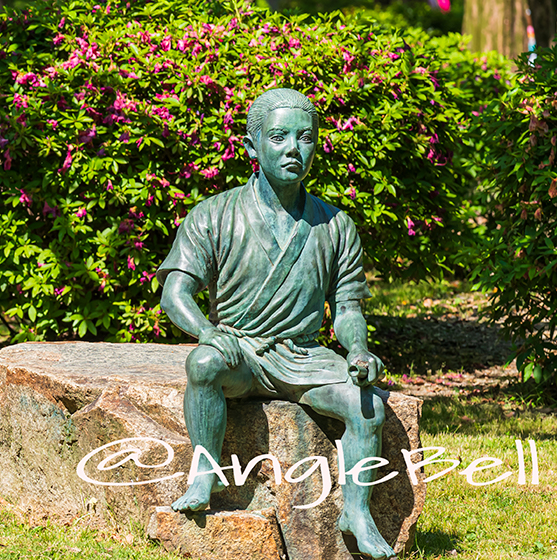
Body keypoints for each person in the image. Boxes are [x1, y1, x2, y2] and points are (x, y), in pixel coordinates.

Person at [157, 88, 395, 558]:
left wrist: (359, 351)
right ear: (252, 146)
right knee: (203, 364)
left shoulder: (335, 225)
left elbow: (347, 308)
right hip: (240, 351)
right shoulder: (215, 215)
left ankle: (357, 510)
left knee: (365, 404)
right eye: (279, 136)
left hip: (304, 354)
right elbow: (174, 292)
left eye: (305, 137)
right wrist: (208, 332)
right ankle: (205, 469)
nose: (293, 149)